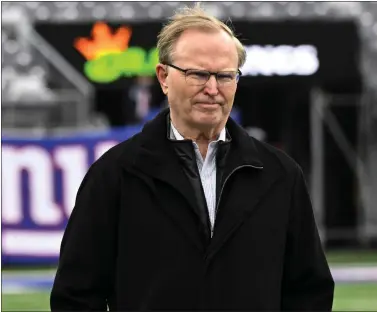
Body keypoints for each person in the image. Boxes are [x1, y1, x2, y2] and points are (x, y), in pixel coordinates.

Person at [51, 5, 334, 311]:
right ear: (164, 77)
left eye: (225, 76)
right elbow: (76, 295)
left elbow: (309, 290)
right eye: (198, 74)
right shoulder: (115, 174)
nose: (212, 88)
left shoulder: (280, 174)